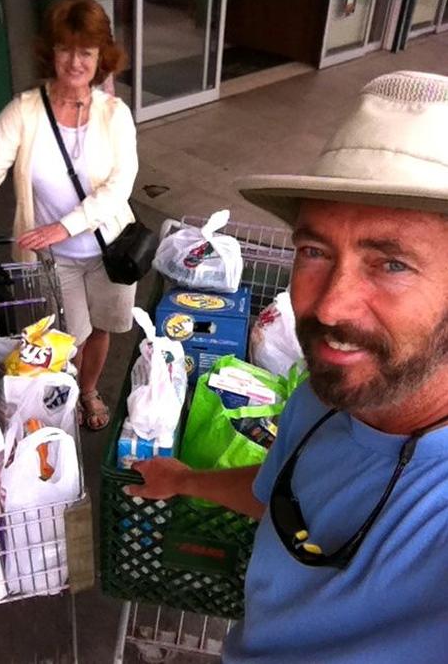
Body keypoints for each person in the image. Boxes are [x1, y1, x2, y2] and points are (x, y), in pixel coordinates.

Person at [125, 69, 448, 663]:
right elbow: (283, 491)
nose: (328, 305)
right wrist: (188, 480)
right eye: (314, 251)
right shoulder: (321, 399)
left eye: (393, 264)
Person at [0, 0, 138, 431]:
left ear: (100, 58)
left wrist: (63, 225)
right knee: (67, 339)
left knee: (104, 328)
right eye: (66, 49)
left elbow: (120, 187)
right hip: (56, 260)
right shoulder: (24, 111)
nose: (75, 62)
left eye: (86, 52)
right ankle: (62, 396)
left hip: (112, 250)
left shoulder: (115, 115)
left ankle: (87, 390)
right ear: (51, 52)